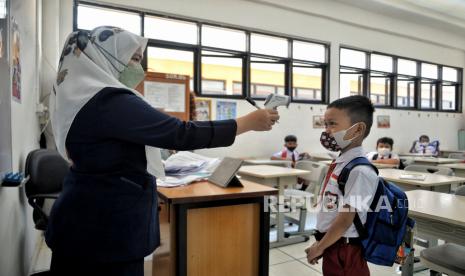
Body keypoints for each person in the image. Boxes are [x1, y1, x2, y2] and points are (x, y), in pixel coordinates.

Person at [46, 26, 279, 276]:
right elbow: (182, 133)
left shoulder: (81, 96)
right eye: (134, 58)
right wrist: (247, 123)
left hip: (86, 218)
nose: (139, 68)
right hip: (105, 229)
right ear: (106, 55)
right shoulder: (108, 99)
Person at [305, 95, 377, 276]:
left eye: (332, 124)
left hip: (346, 251)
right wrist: (321, 244)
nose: (327, 131)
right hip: (334, 244)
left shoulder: (360, 170)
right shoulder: (342, 162)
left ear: (357, 129)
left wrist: (320, 247)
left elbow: (345, 220)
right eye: (325, 124)